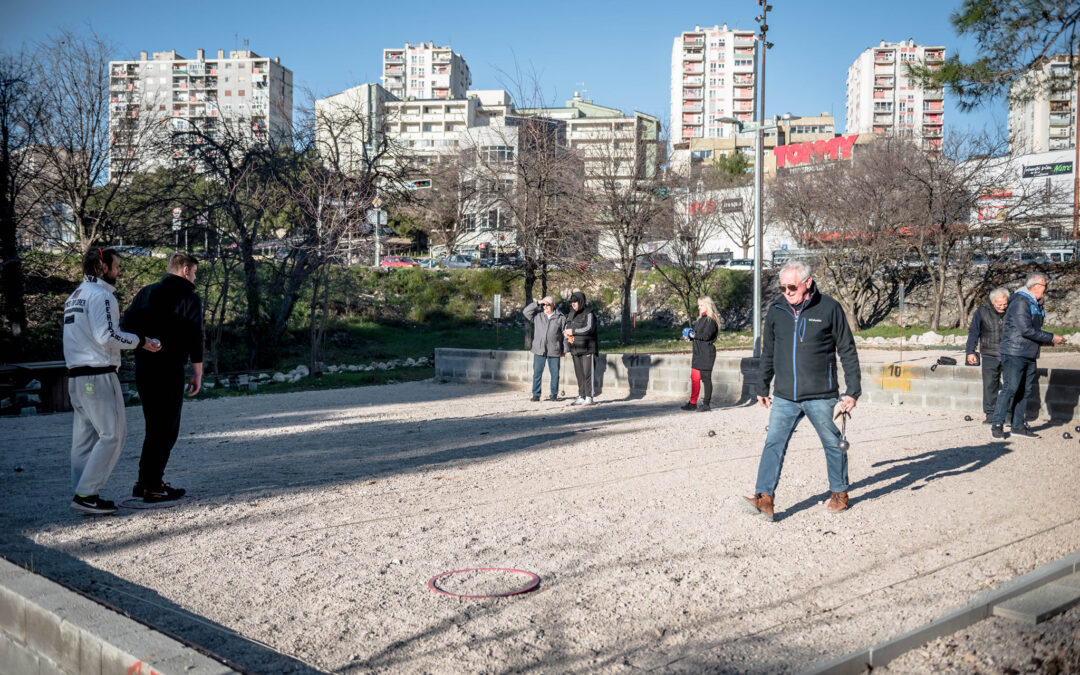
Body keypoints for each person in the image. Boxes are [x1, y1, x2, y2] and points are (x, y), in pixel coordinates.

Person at [742, 260, 862, 521]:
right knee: (773, 443)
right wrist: (763, 385)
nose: (787, 292)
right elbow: (769, 352)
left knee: (833, 444)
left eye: (792, 286)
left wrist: (853, 390)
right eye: (783, 287)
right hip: (785, 395)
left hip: (822, 394)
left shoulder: (829, 308)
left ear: (807, 283)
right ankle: (764, 498)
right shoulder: (776, 309)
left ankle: (840, 493)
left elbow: (847, 350)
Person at [64, 248, 161, 515]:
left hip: (76, 377)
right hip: (98, 374)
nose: (120, 271)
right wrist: (141, 341)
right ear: (102, 267)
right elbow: (107, 336)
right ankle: (87, 494)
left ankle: (82, 493)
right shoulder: (102, 296)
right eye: (116, 266)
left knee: (84, 440)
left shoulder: (74, 296)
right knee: (113, 435)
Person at [121, 252, 203, 502]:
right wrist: (197, 372)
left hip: (144, 369)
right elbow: (195, 335)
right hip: (169, 370)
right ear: (186, 270)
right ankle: (152, 485)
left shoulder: (146, 292)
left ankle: (145, 482)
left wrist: (142, 343)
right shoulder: (189, 297)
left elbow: (125, 325)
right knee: (166, 429)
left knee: (153, 427)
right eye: (195, 272)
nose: (195, 277)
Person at [990, 273, 1065, 440]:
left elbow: (1032, 330)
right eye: (1044, 286)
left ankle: (1017, 425)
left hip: (1028, 352)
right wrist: (1051, 337)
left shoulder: (1034, 302)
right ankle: (997, 424)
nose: (1046, 289)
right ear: (1036, 286)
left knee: (1025, 390)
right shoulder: (1021, 301)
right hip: (1014, 352)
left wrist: (1044, 341)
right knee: (1010, 388)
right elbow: (1025, 329)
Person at [965, 288, 1009, 423]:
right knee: (990, 385)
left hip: (1010, 353)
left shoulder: (1013, 310)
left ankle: (1009, 414)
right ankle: (990, 414)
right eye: (999, 305)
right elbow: (974, 332)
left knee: (1011, 385)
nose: (1002, 307)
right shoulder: (982, 311)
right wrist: (970, 351)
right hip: (989, 352)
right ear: (992, 302)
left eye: (1005, 304)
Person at [522, 295, 566, 402]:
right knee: (537, 373)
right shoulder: (538, 315)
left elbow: (565, 334)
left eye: (548, 304)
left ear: (553, 305)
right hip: (539, 349)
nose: (545, 306)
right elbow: (526, 312)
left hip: (554, 349)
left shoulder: (561, 317)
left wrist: (565, 349)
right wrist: (537, 303)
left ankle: (554, 395)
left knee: (555, 374)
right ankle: (536, 394)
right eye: (543, 304)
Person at [681, 296, 720, 412]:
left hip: (707, 354)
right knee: (694, 377)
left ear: (707, 305)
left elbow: (706, 336)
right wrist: (690, 338)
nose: (699, 307)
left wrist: (694, 336)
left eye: (701, 305)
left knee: (706, 379)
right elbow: (698, 335)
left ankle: (706, 404)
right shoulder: (700, 320)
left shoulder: (711, 320)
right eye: (699, 305)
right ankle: (693, 403)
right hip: (698, 353)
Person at [563, 290, 599, 406]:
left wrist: (573, 331)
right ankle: (581, 396)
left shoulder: (589, 313)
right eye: (571, 302)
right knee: (579, 374)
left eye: (575, 302)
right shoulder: (571, 313)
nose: (573, 304)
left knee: (588, 373)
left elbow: (589, 328)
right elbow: (567, 326)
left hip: (588, 348)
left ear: (581, 301)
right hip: (575, 348)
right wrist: (566, 333)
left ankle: (589, 397)